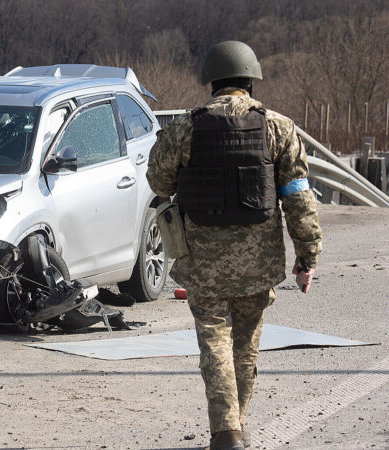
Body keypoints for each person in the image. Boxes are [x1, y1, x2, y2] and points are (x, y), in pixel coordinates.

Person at [146, 41, 322, 450]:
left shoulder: (186, 128)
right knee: (244, 348)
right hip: (258, 263)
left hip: (203, 263)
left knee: (215, 345)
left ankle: (227, 432)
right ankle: (234, 428)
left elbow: (158, 182)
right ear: (250, 80)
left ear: (211, 81)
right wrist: (307, 255)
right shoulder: (279, 127)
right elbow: (298, 197)